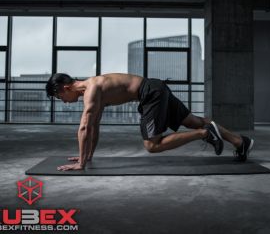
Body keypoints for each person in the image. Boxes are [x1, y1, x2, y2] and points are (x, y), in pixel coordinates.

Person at [45, 73, 254, 171]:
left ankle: (206, 134)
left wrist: (81, 164)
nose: (63, 102)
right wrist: (87, 156)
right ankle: (240, 142)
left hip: (150, 93)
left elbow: (84, 127)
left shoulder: (91, 90)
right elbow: (94, 126)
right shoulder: (93, 88)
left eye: (60, 98)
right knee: (193, 120)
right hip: (155, 87)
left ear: (63, 88)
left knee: (152, 145)